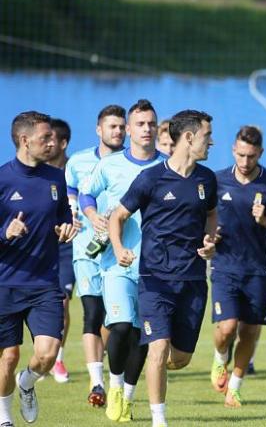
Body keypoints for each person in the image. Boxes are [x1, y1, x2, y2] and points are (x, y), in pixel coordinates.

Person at [110, 109, 217, 427]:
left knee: (179, 359)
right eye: (207, 136)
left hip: (194, 280)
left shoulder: (206, 179)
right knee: (157, 348)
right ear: (189, 137)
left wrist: (210, 240)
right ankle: (159, 420)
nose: (211, 142)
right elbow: (118, 216)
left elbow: (211, 215)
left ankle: (143, 355)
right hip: (155, 280)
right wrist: (118, 248)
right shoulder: (151, 179)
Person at [81, 99, 165, 422]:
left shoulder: (167, 167)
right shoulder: (110, 165)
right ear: (128, 130)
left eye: (151, 124)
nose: (146, 129)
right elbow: (87, 193)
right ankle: (114, 387)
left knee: (142, 335)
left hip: (156, 268)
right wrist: (93, 217)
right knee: (118, 327)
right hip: (116, 264)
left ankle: (128, 396)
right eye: (140, 124)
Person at [0, 112, 77, 426]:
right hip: (6, 282)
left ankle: (27, 384)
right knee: (8, 356)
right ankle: (4, 416)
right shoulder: (3, 179)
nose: (53, 142)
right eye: (45, 138)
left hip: (45, 281)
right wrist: (5, 233)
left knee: (47, 354)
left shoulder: (56, 177)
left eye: (54, 137)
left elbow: (63, 217)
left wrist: (66, 228)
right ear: (24, 140)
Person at [209, 125, 266, 407]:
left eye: (251, 156)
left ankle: (235, 388)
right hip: (225, 266)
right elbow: (204, 218)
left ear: (260, 153)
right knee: (227, 329)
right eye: (241, 155)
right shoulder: (217, 181)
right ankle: (219, 357)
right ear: (233, 151)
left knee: (249, 332)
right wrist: (209, 234)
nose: (245, 162)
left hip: (259, 270)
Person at [66, 104, 126, 406]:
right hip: (87, 250)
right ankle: (97, 383)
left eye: (120, 126)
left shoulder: (131, 162)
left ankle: (111, 376)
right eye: (111, 126)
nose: (117, 131)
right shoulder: (78, 162)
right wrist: (76, 214)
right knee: (92, 314)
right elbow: (71, 195)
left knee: (115, 321)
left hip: (120, 253)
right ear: (98, 129)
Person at [45, 118, 78, 384]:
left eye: (50, 139)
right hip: (40, 247)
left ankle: (57, 358)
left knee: (63, 301)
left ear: (63, 143)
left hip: (70, 246)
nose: (45, 143)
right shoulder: (36, 171)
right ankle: (43, 355)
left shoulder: (75, 170)